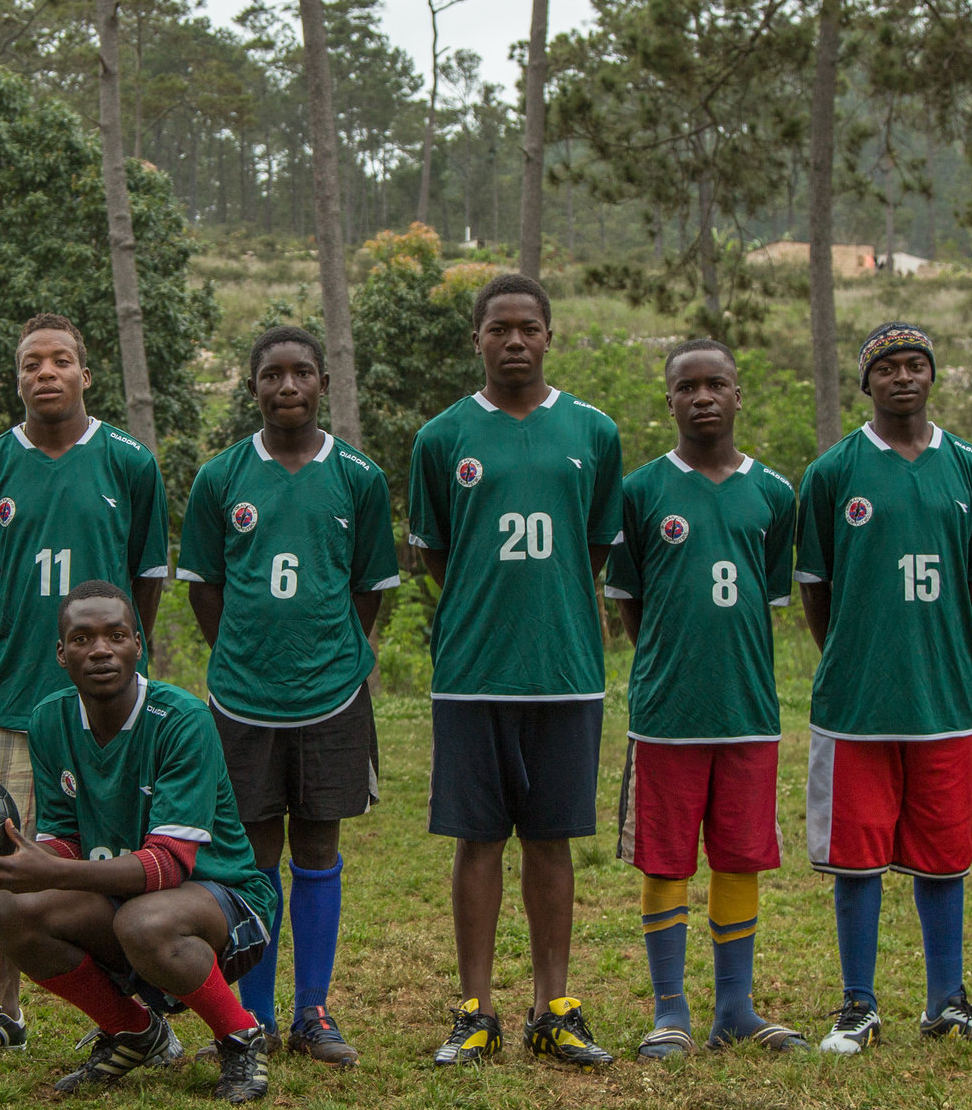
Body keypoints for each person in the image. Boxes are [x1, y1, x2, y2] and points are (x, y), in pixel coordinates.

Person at [0, 313, 169, 1060]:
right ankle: (3, 1009)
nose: (46, 372)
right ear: (18, 378)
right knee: (1, 854)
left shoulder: (130, 461)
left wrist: (119, 667)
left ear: (85, 373)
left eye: (61, 359)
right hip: (14, 696)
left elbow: (144, 583)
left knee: (126, 857)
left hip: (111, 706)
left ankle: (137, 1008)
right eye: (31, 362)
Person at [407, 273, 623, 1070]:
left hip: (565, 669)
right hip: (471, 671)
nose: (514, 341)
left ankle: (552, 1006)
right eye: (499, 328)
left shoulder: (594, 432)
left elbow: (595, 545)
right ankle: (476, 1009)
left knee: (552, 838)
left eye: (529, 327)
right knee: (477, 839)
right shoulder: (442, 436)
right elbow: (436, 554)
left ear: (549, 335)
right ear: (477, 339)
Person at [177, 326, 401, 1065]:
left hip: (332, 694)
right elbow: (206, 588)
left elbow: (368, 591)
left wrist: (336, 652)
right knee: (253, 854)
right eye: (272, 374)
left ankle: (314, 1012)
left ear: (322, 383)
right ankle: (255, 1016)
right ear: (254, 388)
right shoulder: (220, 478)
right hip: (242, 698)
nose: (287, 386)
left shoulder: (359, 478)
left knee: (319, 843)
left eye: (302, 372)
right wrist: (243, 652)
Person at [0, 582, 279, 1102]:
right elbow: (65, 838)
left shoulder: (182, 720)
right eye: (82, 638)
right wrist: (13, 863)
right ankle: (134, 1030)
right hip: (130, 896)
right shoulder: (50, 719)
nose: (100, 649)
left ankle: (240, 1037)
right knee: (10, 913)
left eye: (115, 635)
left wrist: (55, 872)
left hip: (223, 898)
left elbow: (170, 865)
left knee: (144, 920)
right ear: (62, 654)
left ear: (138, 645)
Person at [795, 323, 972, 1055]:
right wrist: (857, 653)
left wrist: (934, 651)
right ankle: (857, 1003)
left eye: (915, 364)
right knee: (857, 858)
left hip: (943, 696)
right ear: (867, 383)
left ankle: (946, 999)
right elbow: (817, 592)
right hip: (856, 700)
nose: (902, 377)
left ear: (932, 375)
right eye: (886, 367)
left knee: (942, 854)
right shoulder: (834, 471)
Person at [604, 339, 806, 1060]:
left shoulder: (775, 493)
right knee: (665, 860)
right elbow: (632, 602)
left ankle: (735, 1005)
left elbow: (768, 596)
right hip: (667, 714)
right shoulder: (641, 491)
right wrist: (671, 655)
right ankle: (670, 1008)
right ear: (669, 401)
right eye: (686, 386)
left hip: (748, 708)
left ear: (738, 392)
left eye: (716, 382)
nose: (702, 397)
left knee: (740, 855)